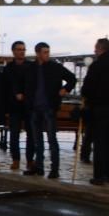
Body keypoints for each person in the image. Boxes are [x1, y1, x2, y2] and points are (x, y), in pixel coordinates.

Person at [24, 42, 76, 178]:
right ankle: (39, 167)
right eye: (45, 52)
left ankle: (55, 169)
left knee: (51, 139)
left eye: (48, 52)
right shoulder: (31, 68)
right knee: (37, 140)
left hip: (49, 107)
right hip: (35, 108)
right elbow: (26, 86)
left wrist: (65, 89)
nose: (47, 54)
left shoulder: (55, 67)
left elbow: (72, 78)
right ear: (38, 53)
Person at [81, 38, 109, 186]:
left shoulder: (96, 65)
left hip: (99, 108)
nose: (94, 51)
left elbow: (87, 88)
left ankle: (99, 175)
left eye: (96, 48)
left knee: (99, 142)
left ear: (100, 49)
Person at [1, 41, 35, 171]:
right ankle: (15, 159)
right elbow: (5, 88)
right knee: (14, 134)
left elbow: (34, 85)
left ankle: (30, 160)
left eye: (23, 49)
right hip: (14, 106)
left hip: (28, 106)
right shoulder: (8, 68)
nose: (22, 51)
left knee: (30, 134)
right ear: (13, 51)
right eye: (19, 49)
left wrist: (26, 94)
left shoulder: (31, 66)